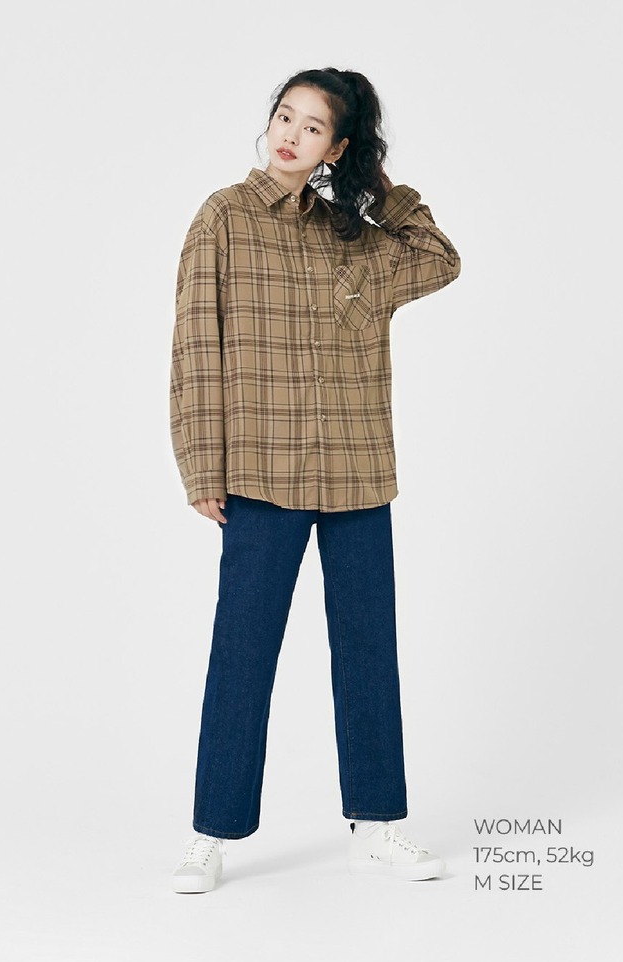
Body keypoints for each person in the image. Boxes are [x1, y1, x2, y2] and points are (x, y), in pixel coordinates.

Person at [169, 67, 461, 894]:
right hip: (260, 471)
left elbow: (441, 259)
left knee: (369, 650)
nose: (290, 135)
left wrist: (378, 187)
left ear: (337, 147)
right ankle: (210, 834)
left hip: (357, 471)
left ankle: (377, 825)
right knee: (243, 652)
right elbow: (194, 346)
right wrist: (201, 464)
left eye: (313, 127)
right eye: (283, 117)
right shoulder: (223, 217)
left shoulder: (355, 235)